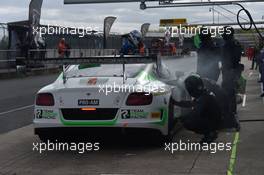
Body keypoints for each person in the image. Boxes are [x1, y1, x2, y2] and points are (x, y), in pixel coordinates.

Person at [171, 74, 222, 143]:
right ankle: (210, 132)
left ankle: (210, 133)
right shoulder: (204, 93)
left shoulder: (203, 98)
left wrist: (180, 119)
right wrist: (176, 103)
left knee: (188, 122)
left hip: (214, 122)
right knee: (189, 119)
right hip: (215, 120)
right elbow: (191, 103)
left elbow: (195, 114)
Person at [221, 26, 242, 130]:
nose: (222, 35)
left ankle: (232, 120)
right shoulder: (233, 43)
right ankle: (232, 116)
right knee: (230, 94)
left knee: (228, 95)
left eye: (224, 33)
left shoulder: (230, 44)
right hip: (231, 72)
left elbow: (231, 60)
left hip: (230, 72)